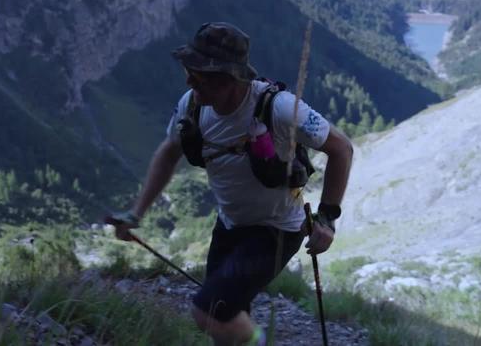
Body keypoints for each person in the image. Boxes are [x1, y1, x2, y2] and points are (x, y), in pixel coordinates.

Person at [110, 22, 354, 346]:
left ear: (231, 77)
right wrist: (135, 214)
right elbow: (168, 153)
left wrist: (327, 218)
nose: (189, 81)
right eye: (189, 71)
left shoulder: (280, 108)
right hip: (229, 226)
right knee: (224, 324)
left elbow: (341, 148)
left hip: (277, 229)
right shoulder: (192, 105)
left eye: (199, 75)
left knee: (209, 313)